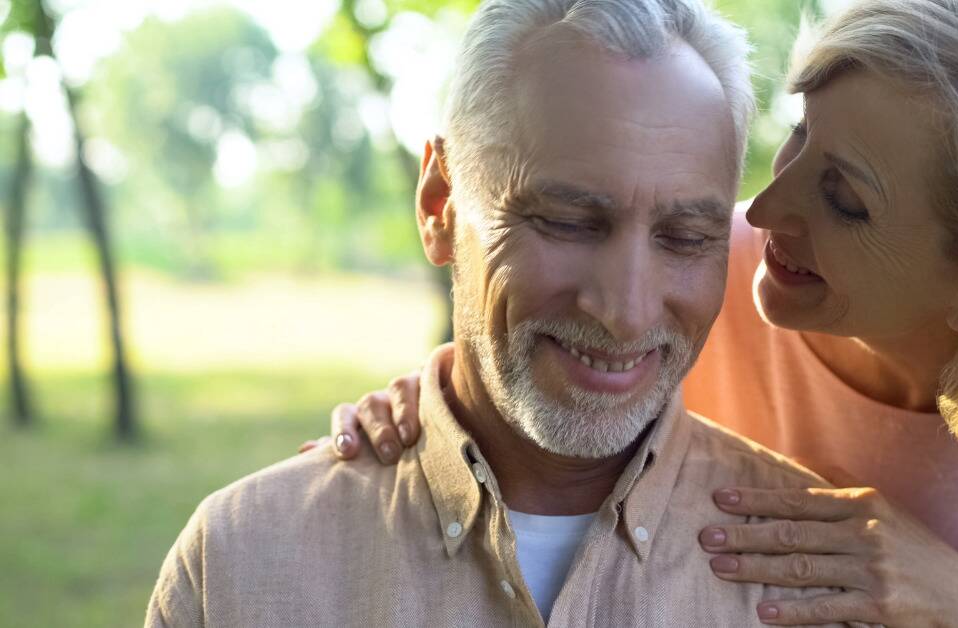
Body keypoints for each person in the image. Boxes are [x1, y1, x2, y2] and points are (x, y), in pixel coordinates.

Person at [313, 0, 958, 625]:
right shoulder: (712, 265)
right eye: (799, 138)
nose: (766, 210)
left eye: (844, 198)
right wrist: (440, 409)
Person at [146, 1, 887, 626]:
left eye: (686, 238)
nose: (626, 313)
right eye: (568, 222)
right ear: (440, 204)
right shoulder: (243, 561)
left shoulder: (827, 582)